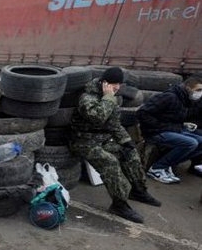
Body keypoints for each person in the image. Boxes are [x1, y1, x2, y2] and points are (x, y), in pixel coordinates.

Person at [69, 66, 161, 224]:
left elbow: (114, 125)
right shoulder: (88, 97)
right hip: (82, 141)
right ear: (105, 83)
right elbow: (98, 117)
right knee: (110, 162)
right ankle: (119, 204)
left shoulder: (112, 97)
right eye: (114, 84)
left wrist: (126, 141)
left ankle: (138, 190)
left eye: (119, 84)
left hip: (102, 139)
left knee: (130, 154)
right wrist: (108, 98)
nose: (117, 87)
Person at [137, 75, 202, 182]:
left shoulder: (185, 99)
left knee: (200, 142)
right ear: (188, 87)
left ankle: (168, 164)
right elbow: (142, 113)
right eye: (198, 90)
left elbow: (171, 116)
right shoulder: (169, 97)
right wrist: (162, 126)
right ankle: (157, 168)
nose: (200, 93)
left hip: (170, 129)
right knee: (191, 143)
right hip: (154, 132)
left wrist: (184, 124)